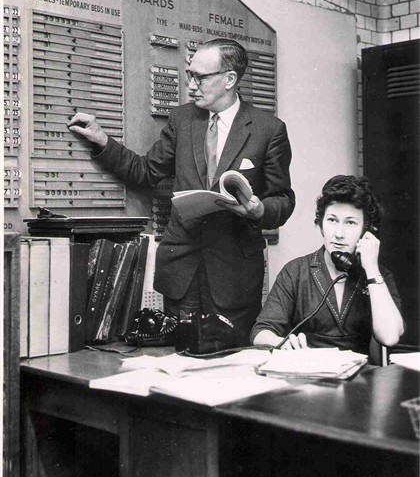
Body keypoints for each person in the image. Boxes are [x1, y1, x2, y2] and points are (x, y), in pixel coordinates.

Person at [68, 38, 295, 346]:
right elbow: (145, 171)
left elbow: (283, 198)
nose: (191, 84)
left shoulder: (269, 129)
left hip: (234, 277)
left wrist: (259, 210)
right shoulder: (182, 120)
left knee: (231, 368)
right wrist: (102, 140)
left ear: (230, 79)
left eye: (200, 77)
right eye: (190, 74)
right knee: (178, 365)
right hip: (181, 272)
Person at [251, 175, 404, 357]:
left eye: (350, 222)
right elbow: (260, 332)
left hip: (362, 379)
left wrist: (371, 270)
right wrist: (282, 343)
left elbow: (390, 337)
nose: (339, 234)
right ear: (321, 224)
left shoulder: (378, 277)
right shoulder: (295, 272)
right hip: (309, 377)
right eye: (332, 220)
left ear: (366, 230)